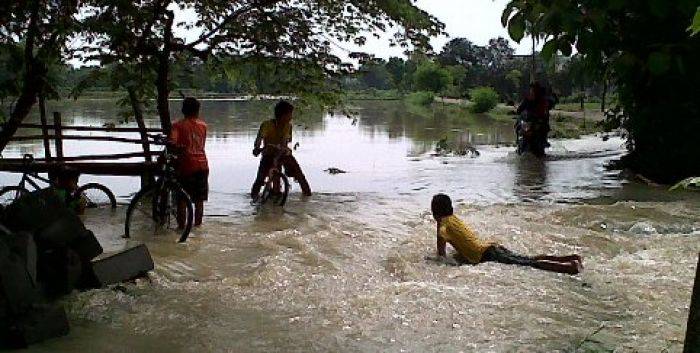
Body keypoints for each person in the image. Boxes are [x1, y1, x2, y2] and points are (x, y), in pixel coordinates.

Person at [430, 194, 583, 274]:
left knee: (530, 264)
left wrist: (437, 259)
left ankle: (569, 268)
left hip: (486, 255)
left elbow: (441, 252)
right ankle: (570, 259)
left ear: (435, 212)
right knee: (527, 259)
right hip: (490, 248)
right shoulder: (453, 219)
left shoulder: (442, 225)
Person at [250, 101, 311, 199]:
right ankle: (254, 198)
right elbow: (259, 139)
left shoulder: (288, 126)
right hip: (268, 153)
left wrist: (282, 149)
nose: (291, 117)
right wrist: (257, 148)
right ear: (282, 115)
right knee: (260, 179)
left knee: (299, 174)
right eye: (289, 114)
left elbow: (285, 141)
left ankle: (307, 195)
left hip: (283, 153)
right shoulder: (267, 125)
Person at [169, 97, 209, 227]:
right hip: (203, 165)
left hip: (187, 166)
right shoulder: (203, 126)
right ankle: (198, 228)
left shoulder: (177, 125)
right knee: (199, 200)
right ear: (198, 111)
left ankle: (182, 229)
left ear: (182, 110)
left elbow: (173, 144)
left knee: (182, 200)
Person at [516, 81, 553, 152]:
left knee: (544, 129)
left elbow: (547, 110)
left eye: (534, 90)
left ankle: (543, 142)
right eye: (532, 90)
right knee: (518, 126)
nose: (532, 91)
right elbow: (520, 109)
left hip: (539, 122)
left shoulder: (543, 100)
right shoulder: (527, 99)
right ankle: (518, 141)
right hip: (528, 121)